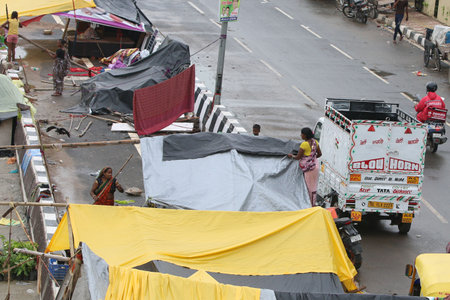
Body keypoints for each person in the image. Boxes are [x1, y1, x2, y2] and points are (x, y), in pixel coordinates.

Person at [288, 127, 322, 206]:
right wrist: (312, 159)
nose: (300, 135)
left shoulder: (304, 144)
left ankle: (308, 204)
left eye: (302, 134)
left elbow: (298, 157)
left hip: (309, 169)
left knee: (308, 187)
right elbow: (320, 154)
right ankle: (313, 203)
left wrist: (291, 156)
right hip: (315, 167)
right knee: (313, 187)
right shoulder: (315, 142)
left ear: (305, 135)